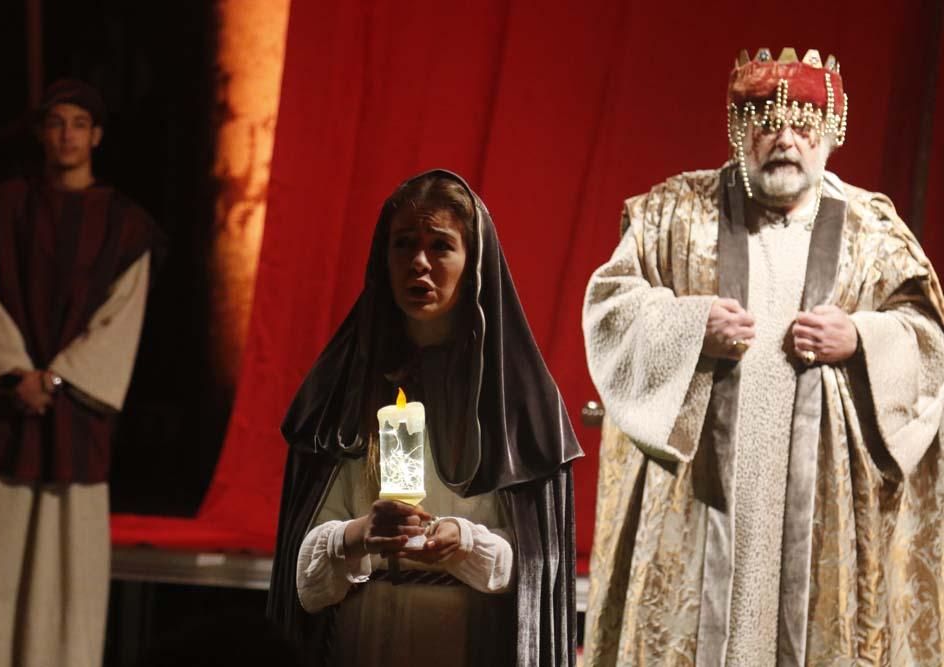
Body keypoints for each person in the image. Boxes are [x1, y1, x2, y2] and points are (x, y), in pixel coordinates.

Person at [582, 48, 944, 666]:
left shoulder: (873, 232)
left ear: (830, 133)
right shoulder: (675, 213)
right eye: (766, 122)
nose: (785, 141)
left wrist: (860, 338)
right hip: (697, 509)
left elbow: (927, 341)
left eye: (803, 125)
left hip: (820, 510)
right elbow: (612, 308)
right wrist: (690, 325)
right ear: (737, 130)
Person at [268, 170, 583, 666]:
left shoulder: (515, 401)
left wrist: (462, 542)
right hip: (362, 638)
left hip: (462, 640)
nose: (419, 263)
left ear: (473, 260)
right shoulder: (343, 390)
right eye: (404, 244)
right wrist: (357, 535)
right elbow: (303, 580)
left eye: (440, 246)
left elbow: (535, 572)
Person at [0, 79, 163, 667]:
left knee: (67, 564)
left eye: (77, 124)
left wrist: (57, 379)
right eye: (55, 123)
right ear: (41, 133)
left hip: (76, 418)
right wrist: (18, 373)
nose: (66, 135)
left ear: (95, 136)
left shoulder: (126, 227)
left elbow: (121, 316)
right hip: (11, 412)